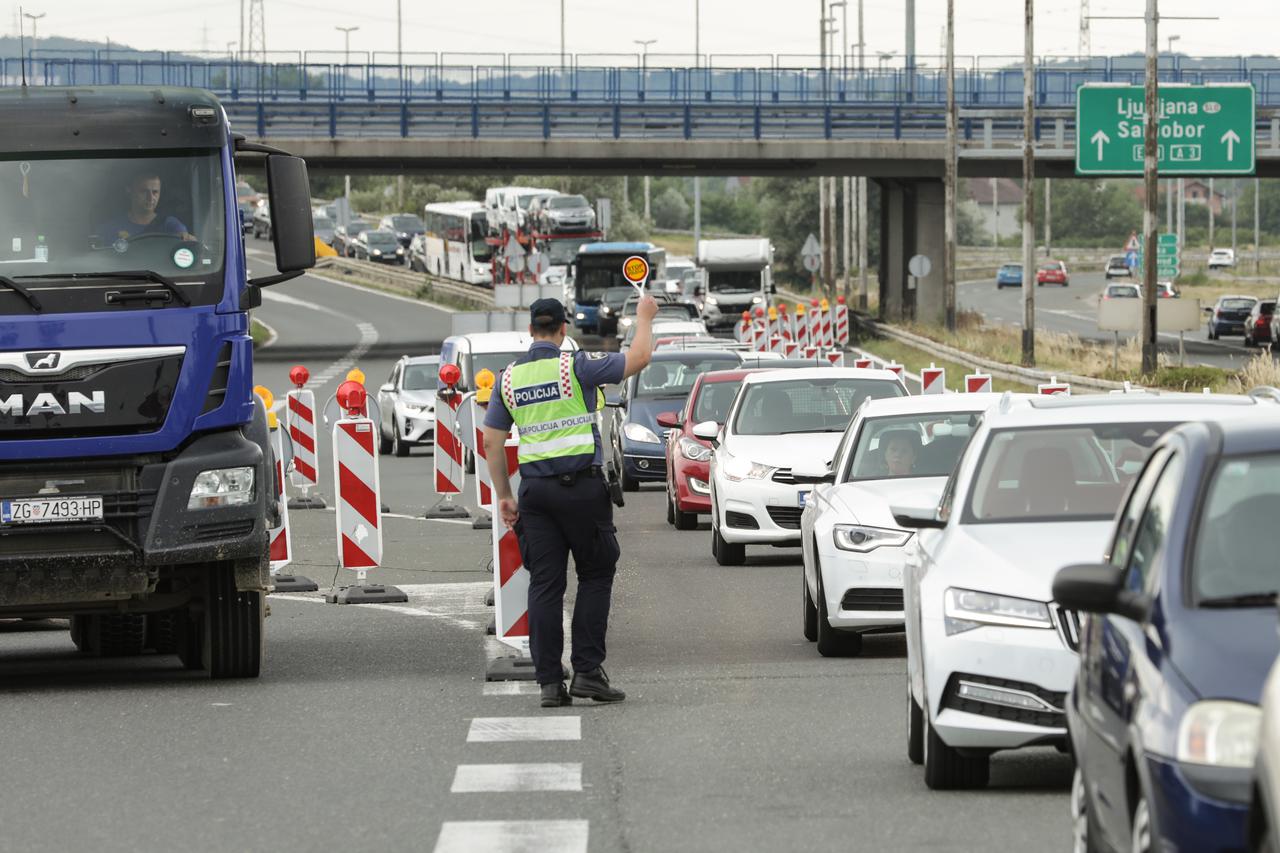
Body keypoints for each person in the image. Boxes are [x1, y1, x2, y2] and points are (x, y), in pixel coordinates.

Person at [482, 295, 658, 709]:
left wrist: (504, 496)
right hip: (581, 489)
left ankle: (548, 683)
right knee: (595, 574)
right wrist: (645, 317)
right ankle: (587, 672)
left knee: (545, 584)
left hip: (536, 494)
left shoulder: (508, 379)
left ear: (530, 331)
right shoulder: (574, 366)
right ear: (564, 329)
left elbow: (491, 440)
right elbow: (639, 358)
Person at [96, 173, 195, 244]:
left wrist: (188, 240)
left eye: (155, 192)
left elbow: (187, 246)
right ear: (129, 191)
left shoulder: (170, 225)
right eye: (144, 191)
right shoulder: (109, 229)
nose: (151, 198)